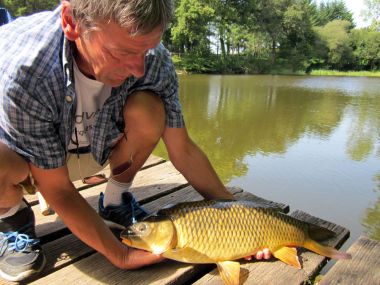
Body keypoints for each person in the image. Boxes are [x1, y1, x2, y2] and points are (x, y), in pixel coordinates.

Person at [0, 0, 270, 282]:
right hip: (26, 164)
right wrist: (121, 255)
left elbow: (184, 150)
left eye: (146, 50)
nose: (138, 68)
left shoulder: (153, 58)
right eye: (123, 52)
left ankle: (115, 201)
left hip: (97, 146)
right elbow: (57, 187)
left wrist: (240, 216)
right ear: (71, 22)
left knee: (150, 109)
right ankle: (11, 217)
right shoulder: (25, 69)